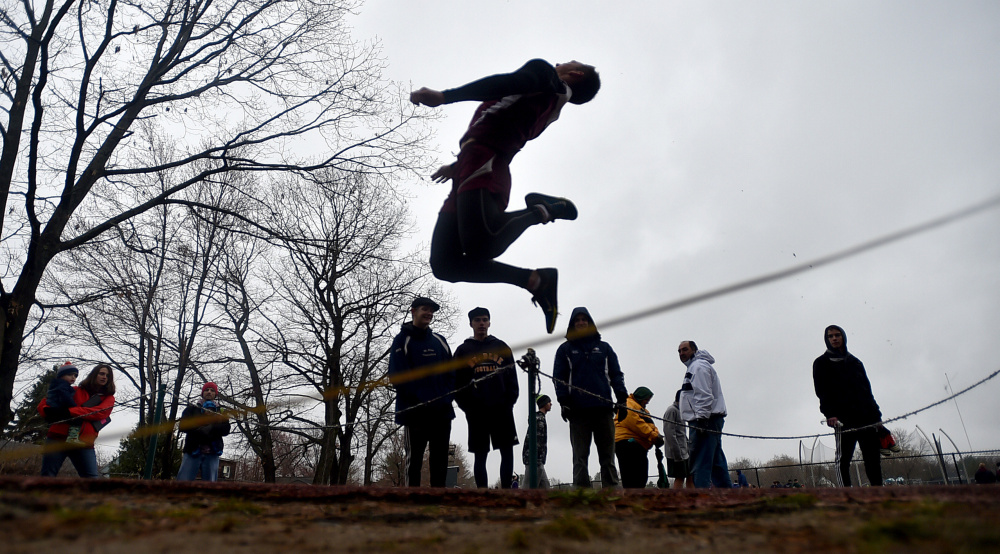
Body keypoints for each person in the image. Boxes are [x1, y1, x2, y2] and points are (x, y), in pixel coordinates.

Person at [410, 59, 601, 334]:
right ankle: (535, 281)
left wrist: (445, 96)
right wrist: (457, 165)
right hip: (471, 162)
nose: (560, 60)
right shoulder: (548, 99)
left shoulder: (545, 75)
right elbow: (505, 120)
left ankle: (544, 210)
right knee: (444, 264)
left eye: (568, 61)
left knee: (482, 245)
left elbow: (505, 84)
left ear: (575, 73)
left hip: (487, 160)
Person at [553, 308, 628, 489]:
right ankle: (582, 500)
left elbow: (616, 374)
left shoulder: (604, 348)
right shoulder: (565, 350)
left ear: (590, 323)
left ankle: (611, 499)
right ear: (572, 324)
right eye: (577, 320)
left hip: (603, 409)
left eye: (584, 319)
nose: (581, 323)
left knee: (608, 458)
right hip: (578, 412)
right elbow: (559, 378)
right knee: (579, 459)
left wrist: (622, 399)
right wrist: (563, 402)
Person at [388, 296, 456, 487]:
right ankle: (413, 501)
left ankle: (438, 502)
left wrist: (446, 396)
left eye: (431, 311)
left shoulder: (439, 341)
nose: (428, 314)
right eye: (424, 309)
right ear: (413, 311)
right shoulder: (402, 340)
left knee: (440, 460)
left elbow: (452, 373)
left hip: (442, 413)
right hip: (414, 413)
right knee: (414, 461)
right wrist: (420, 398)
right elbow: (397, 376)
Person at [454, 307, 519, 488]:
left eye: (484, 320)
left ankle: (506, 492)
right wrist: (468, 407)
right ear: (471, 324)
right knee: (480, 454)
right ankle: (482, 493)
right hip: (477, 412)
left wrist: (509, 402)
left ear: (489, 322)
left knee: (507, 451)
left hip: (502, 409)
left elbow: (512, 379)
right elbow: (456, 384)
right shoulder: (463, 350)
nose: (481, 323)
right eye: (477, 320)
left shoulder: (501, 347)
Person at [812, 325, 885, 487]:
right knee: (843, 459)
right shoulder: (821, 363)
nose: (834, 338)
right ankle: (845, 494)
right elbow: (822, 391)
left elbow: (867, 391)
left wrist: (877, 417)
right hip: (842, 420)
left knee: (873, 458)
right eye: (830, 336)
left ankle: (879, 492)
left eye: (837, 335)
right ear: (827, 339)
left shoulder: (856, 362)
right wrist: (829, 414)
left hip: (867, 418)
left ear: (843, 337)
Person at [37, 363, 116, 478]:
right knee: (47, 475)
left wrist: (70, 412)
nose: (105, 377)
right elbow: (47, 401)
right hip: (58, 437)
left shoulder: (108, 398)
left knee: (92, 478)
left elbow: (99, 413)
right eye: (101, 374)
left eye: (108, 376)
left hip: (83, 443)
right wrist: (48, 412)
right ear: (94, 375)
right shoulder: (74, 390)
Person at [678, 341, 731, 489]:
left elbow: (704, 395)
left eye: (685, 350)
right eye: (679, 351)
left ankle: (701, 498)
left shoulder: (698, 367)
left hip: (704, 419)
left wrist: (701, 419)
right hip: (709, 418)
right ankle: (727, 495)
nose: (681, 353)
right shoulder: (696, 366)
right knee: (716, 461)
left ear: (694, 350)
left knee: (700, 461)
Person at [177, 382, 231, 481]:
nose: (209, 392)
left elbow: (226, 429)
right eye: (207, 390)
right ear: (202, 393)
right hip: (192, 451)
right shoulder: (192, 409)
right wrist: (200, 429)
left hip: (213, 453)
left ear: (216, 394)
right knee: (183, 482)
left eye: (212, 390)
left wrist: (211, 428)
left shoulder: (222, 412)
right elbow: (183, 426)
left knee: (210, 485)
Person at [614, 386, 664, 489]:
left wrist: (657, 436)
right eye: (646, 399)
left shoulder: (644, 411)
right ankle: (630, 502)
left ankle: (636, 501)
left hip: (639, 446)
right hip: (627, 443)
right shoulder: (628, 404)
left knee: (641, 477)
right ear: (641, 397)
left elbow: (652, 426)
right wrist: (654, 436)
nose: (647, 402)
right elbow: (636, 423)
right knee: (631, 479)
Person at [45, 362, 84, 445]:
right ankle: (72, 437)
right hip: (57, 408)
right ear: (61, 375)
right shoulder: (62, 386)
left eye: (75, 376)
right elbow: (65, 397)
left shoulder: (58, 385)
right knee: (78, 418)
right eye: (70, 375)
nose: (73, 377)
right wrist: (73, 407)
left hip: (54, 407)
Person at [663, 390, 694, 489]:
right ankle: (676, 500)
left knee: (690, 476)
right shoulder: (671, 411)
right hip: (676, 453)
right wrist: (677, 454)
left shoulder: (680, 411)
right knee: (680, 477)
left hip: (685, 451)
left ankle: (691, 499)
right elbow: (669, 433)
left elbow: (682, 433)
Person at [522, 394, 552, 489]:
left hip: (537, 460)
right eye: (548, 402)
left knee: (546, 488)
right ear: (543, 404)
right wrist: (537, 458)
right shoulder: (539, 420)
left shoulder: (539, 418)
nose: (551, 404)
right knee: (528, 489)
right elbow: (537, 441)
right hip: (535, 460)